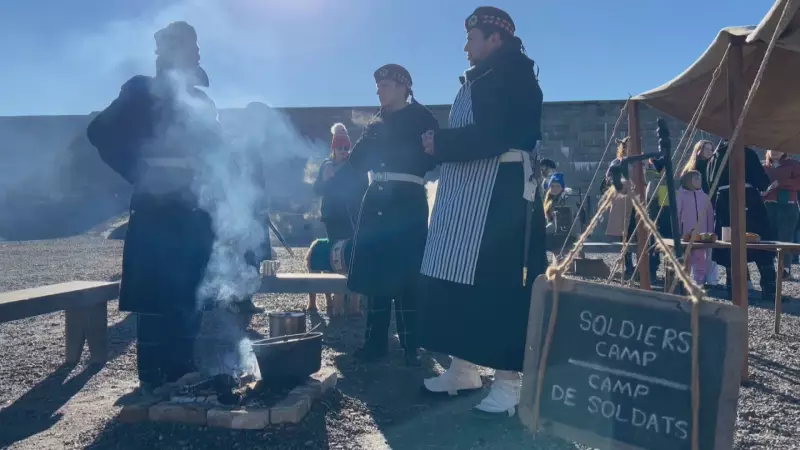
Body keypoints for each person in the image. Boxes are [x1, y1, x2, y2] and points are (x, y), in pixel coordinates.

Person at [417, 7, 546, 415]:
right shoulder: (483, 77)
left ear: (495, 39)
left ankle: (509, 381)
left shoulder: (514, 73)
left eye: (472, 37)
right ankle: (464, 367)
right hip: (470, 196)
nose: (466, 45)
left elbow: (497, 135)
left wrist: (442, 144)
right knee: (460, 280)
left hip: (502, 194)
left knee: (501, 283)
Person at [86, 21, 217, 391]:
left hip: (195, 202)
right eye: (191, 47)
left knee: (190, 281)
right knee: (157, 283)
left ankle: (183, 366)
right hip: (156, 202)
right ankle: (153, 373)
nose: (198, 54)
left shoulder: (203, 101)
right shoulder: (141, 90)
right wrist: (140, 171)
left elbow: (216, 151)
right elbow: (99, 132)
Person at [346, 64, 439, 366]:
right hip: (376, 200)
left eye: (385, 85)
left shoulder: (423, 118)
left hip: (408, 198)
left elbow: (429, 159)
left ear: (403, 87)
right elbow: (357, 162)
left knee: (408, 269)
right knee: (377, 269)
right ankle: (375, 343)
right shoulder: (376, 122)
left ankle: (413, 344)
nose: (379, 90)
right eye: (378, 86)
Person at [707, 140, 777, 302]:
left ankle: (734, 289)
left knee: (730, 243)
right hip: (748, 199)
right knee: (761, 242)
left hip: (723, 202)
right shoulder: (746, 153)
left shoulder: (715, 157)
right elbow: (760, 180)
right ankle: (770, 290)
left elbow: (711, 182)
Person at [309, 123, 368, 314]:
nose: (343, 151)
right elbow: (316, 190)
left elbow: (363, 188)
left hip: (351, 215)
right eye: (340, 147)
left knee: (351, 255)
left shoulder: (354, 166)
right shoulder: (326, 166)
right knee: (337, 256)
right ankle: (337, 301)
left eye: (346, 147)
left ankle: (351, 302)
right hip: (332, 217)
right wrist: (325, 180)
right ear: (333, 148)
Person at [682, 139, 720, 286]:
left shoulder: (713, 166)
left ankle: (706, 277)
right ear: (699, 151)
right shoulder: (697, 169)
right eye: (707, 149)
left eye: (711, 149)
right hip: (696, 209)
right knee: (697, 246)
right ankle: (701, 278)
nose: (710, 152)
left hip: (708, 204)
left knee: (705, 245)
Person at [763, 150, 800, 279]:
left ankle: (785, 270)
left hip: (788, 206)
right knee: (769, 238)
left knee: (784, 238)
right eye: (771, 149)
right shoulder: (764, 167)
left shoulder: (793, 165)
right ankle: (770, 269)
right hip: (768, 205)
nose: (774, 151)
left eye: (777, 149)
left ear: (784, 151)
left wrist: (781, 183)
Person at [676, 170, 714, 285]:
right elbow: (677, 214)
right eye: (696, 179)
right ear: (688, 181)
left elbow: (710, 216)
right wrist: (677, 232)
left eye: (699, 179)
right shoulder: (681, 196)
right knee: (685, 259)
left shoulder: (705, 197)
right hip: (685, 235)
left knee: (700, 259)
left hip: (702, 235)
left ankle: (699, 281)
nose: (699, 181)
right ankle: (684, 281)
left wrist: (710, 232)